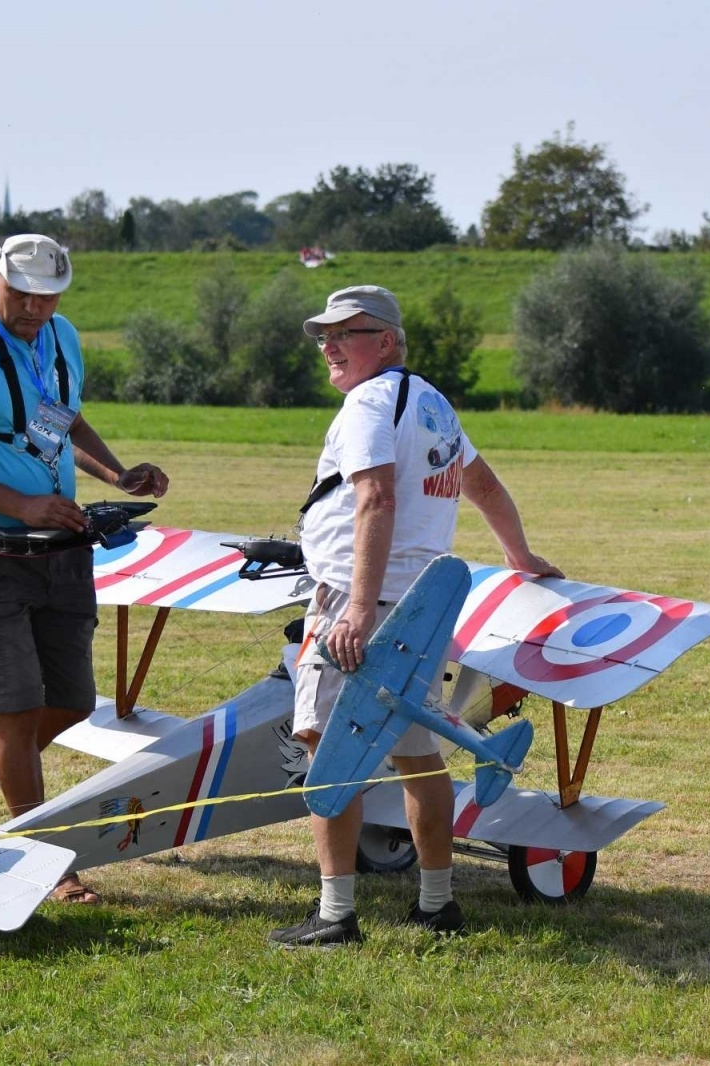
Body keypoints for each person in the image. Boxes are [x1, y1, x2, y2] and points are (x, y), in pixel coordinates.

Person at [269, 285, 561, 947]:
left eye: (349, 332)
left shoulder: (369, 403)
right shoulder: (432, 403)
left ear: (388, 341)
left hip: (357, 603)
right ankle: (436, 905)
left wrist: (358, 611)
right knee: (419, 754)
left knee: (327, 751)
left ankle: (336, 914)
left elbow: (375, 499)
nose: (331, 346)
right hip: (423, 609)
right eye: (324, 335)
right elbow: (480, 482)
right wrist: (520, 553)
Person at [0, 233, 169, 905]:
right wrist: (25, 502)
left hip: (59, 546)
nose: (34, 308)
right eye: (22, 293)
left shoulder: (61, 339)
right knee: (19, 712)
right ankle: (47, 863)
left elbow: (62, 421)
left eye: (48, 296)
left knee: (70, 702)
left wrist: (119, 472)